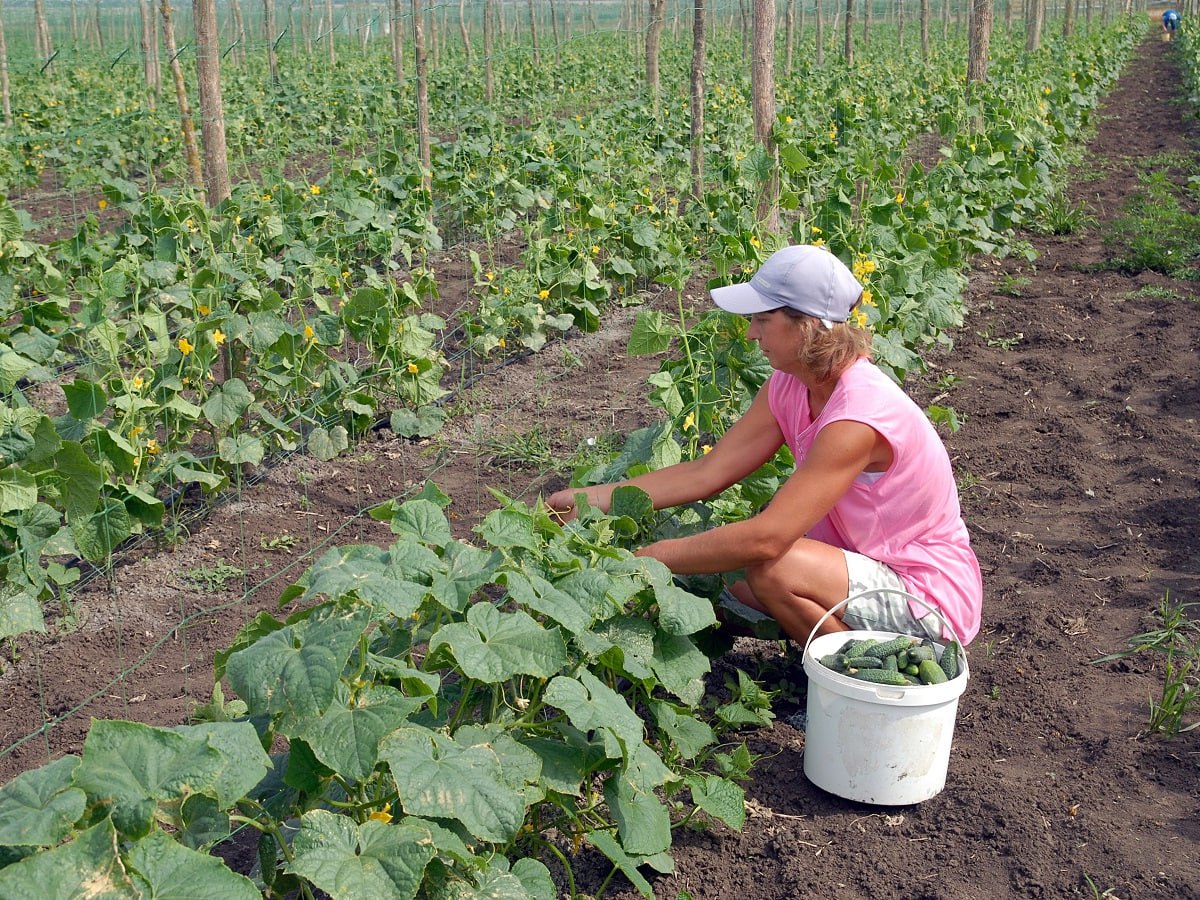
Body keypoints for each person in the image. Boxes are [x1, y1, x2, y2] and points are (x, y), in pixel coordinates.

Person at [547, 245, 983, 646]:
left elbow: (768, 539)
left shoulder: (859, 415)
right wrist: (586, 499)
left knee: (772, 568)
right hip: (861, 566)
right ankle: (836, 650)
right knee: (724, 581)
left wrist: (646, 559)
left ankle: (870, 677)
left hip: (924, 594)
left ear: (807, 325)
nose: (751, 332)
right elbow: (708, 472)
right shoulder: (789, 385)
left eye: (763, 319)